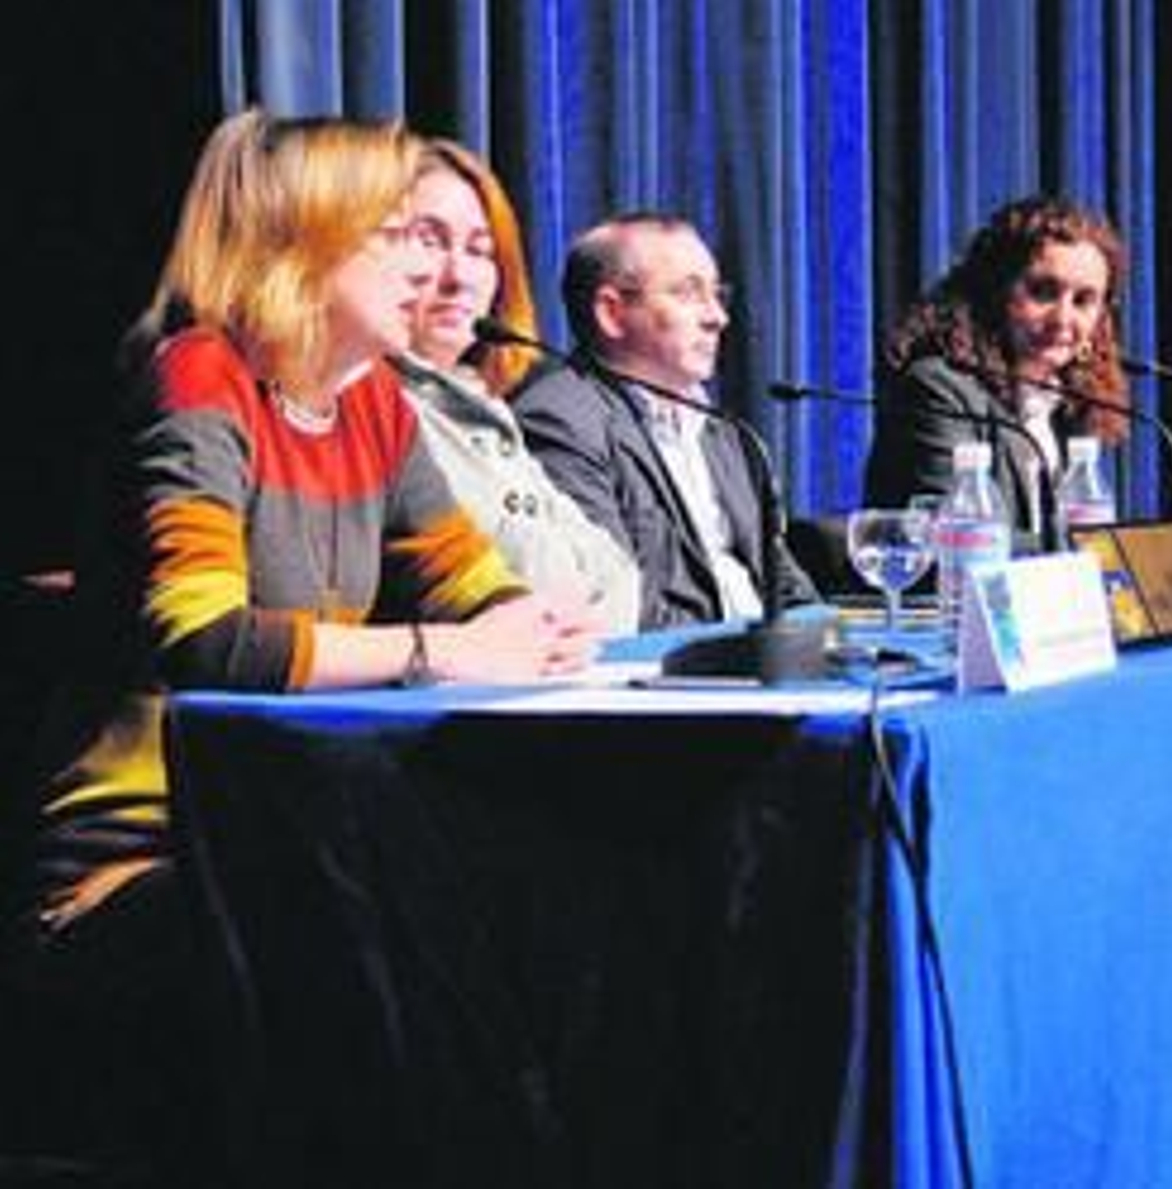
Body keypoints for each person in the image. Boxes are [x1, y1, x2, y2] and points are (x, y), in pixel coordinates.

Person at [2, 109, 598, 1185]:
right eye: (398, 233)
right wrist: (440, 649)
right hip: (144, 866)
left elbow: (480, 589)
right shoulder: (197, 378)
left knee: (547, 916)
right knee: (412, 975)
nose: (432, 261)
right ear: (306, 244)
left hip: (299, 835)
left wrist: (532, 627)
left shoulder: (372, 403)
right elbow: (201, 638)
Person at [513, 212, 819, 628]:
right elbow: (613, 601)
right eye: (689, 294)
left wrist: (828, 638)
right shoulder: (560, 422)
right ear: (612, 312)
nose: (718, 318)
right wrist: (741, 654)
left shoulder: (724, 433)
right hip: (666, 676)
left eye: (717, 295)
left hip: (761, 668)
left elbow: (781, 581)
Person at [396, 139, 641, 635]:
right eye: (430, 241)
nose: (459, 276)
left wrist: (577, 627)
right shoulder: (376, 409)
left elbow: (621, 580)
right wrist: (570, 618)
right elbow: (512, 589)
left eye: (480, 251)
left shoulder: (485, 406)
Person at [863, 195, 1132, 544]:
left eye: (1084, 301)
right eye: (1043, 292)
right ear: (994, 292)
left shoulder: (1072, 406)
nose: (1064, 319)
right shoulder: (938, 389)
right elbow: (957, 538)